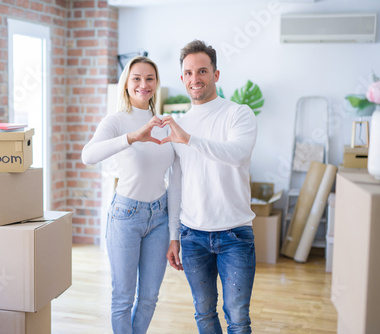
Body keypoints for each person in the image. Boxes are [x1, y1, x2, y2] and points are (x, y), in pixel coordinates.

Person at [162, 40, 258, 334]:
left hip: (235, 234)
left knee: (238, 318)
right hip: (193, 236)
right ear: (182, 78)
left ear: (216, 75)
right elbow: (175, 183)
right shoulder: (178, 124)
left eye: (202, 71)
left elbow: (236, 155)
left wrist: (189, 139)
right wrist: (174, 235)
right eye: (189, 73)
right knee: (203, 314)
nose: (195, 79)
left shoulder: (238, 114)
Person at [82, 56, 174, 334]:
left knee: (149, 297)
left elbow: (175, 177)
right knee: (123, 297)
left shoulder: (165, 123)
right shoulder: (116, 121)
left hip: (160, 216)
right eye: (136, 78)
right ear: (126, 84)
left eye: (149, 79)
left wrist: (174, 231)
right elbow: (88, 155)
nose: (143, 84)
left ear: (156, 84)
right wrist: (133, 137)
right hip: (125, 215)